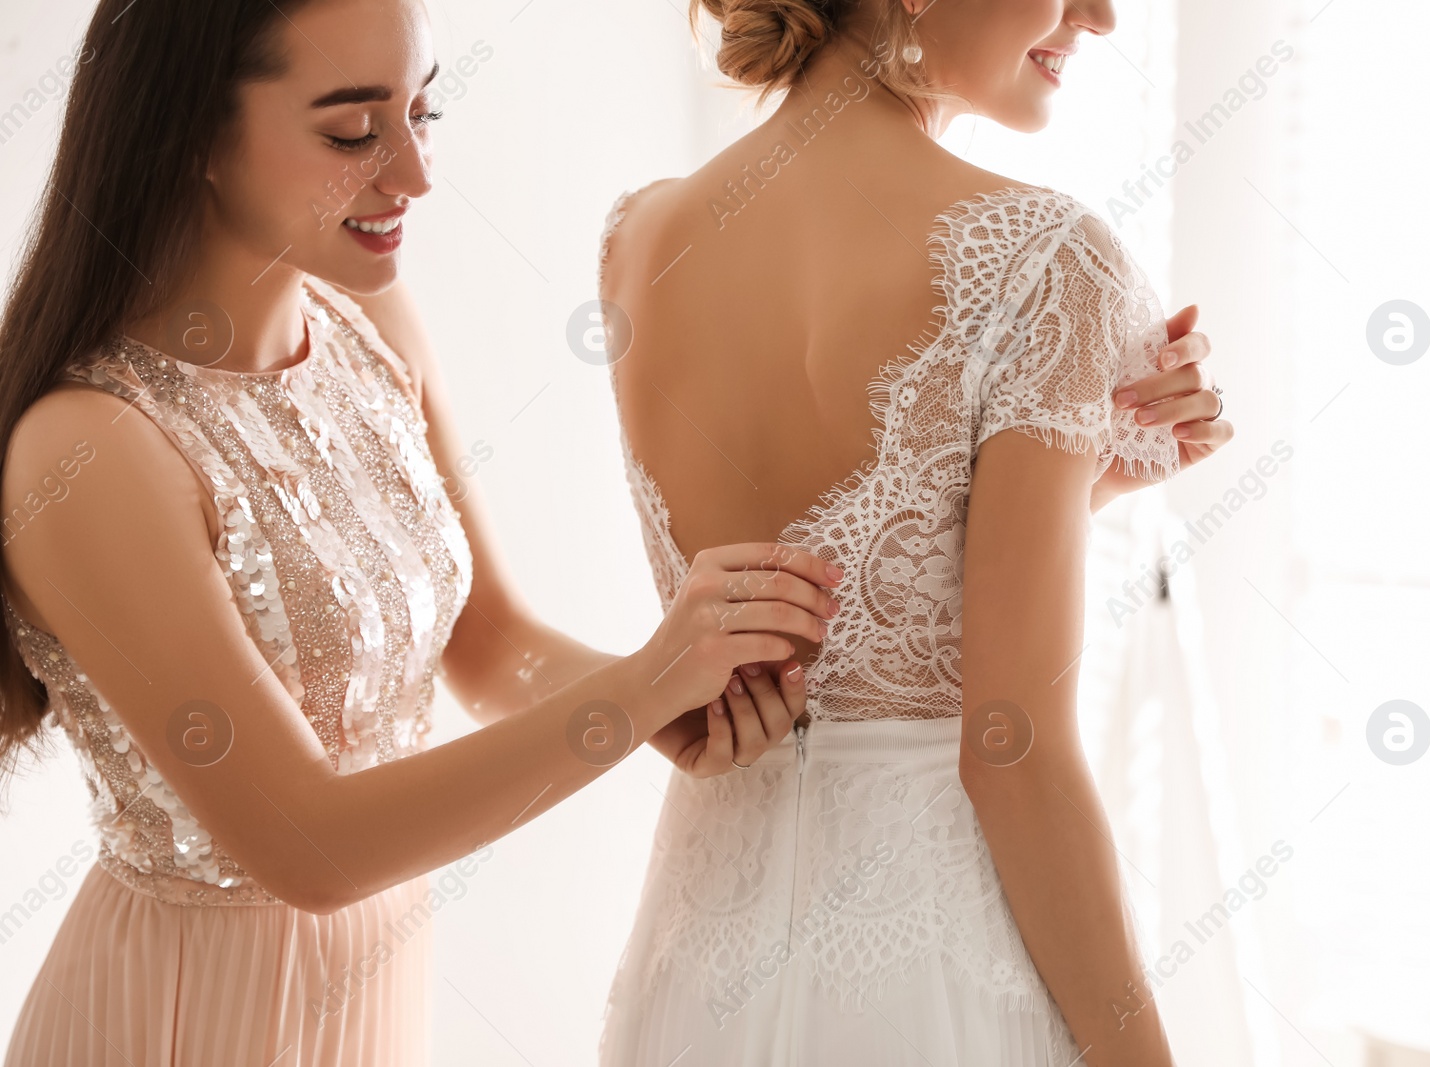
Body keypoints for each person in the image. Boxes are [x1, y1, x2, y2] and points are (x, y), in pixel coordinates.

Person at [0, 1, 840, 1064]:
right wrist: (635, 693)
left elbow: (491, 647)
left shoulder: (371, 326)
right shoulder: (87, 451)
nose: (415, 174)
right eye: (354, 133)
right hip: (174, 1014)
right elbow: (309, 844)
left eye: (424, 111)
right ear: (188, 134)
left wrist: (666, 700)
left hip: (374, 993)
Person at [594, 0, 1234, 1063]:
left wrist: (1088, 479)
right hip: (932, 972)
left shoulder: (642, 237)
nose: (1103, 15)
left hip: (694, 964)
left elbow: (845, 597)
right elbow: (1010, 754)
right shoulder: (1047, 256)